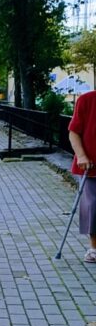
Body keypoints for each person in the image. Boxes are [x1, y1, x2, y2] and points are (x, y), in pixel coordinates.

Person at [68, 88, 96, 263]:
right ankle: (94, 248)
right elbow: (74, 132)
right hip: (91, 167)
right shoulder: (87, 100)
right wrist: (82, 155)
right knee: (93, 206)